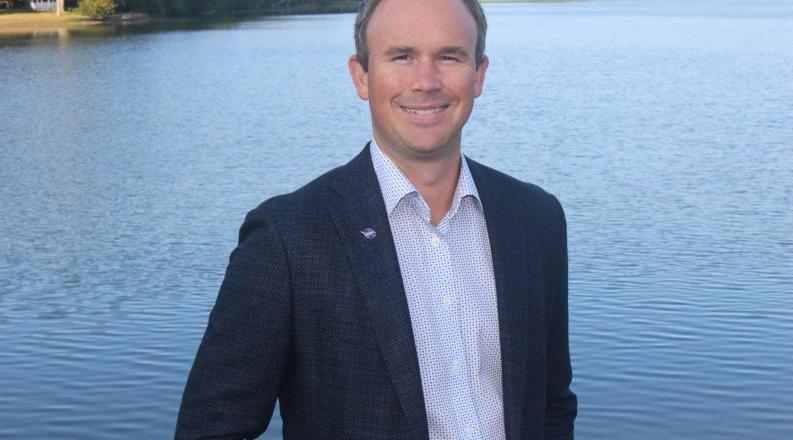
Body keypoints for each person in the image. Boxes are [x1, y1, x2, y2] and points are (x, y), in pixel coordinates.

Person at [175, 0, 577, 438]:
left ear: (478, 74)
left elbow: (552, 404)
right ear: (361, 76)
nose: (426, 82)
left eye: (449, 56)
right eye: (401, 56)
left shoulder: (535, 220)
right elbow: (211, 428)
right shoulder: (287, 238)